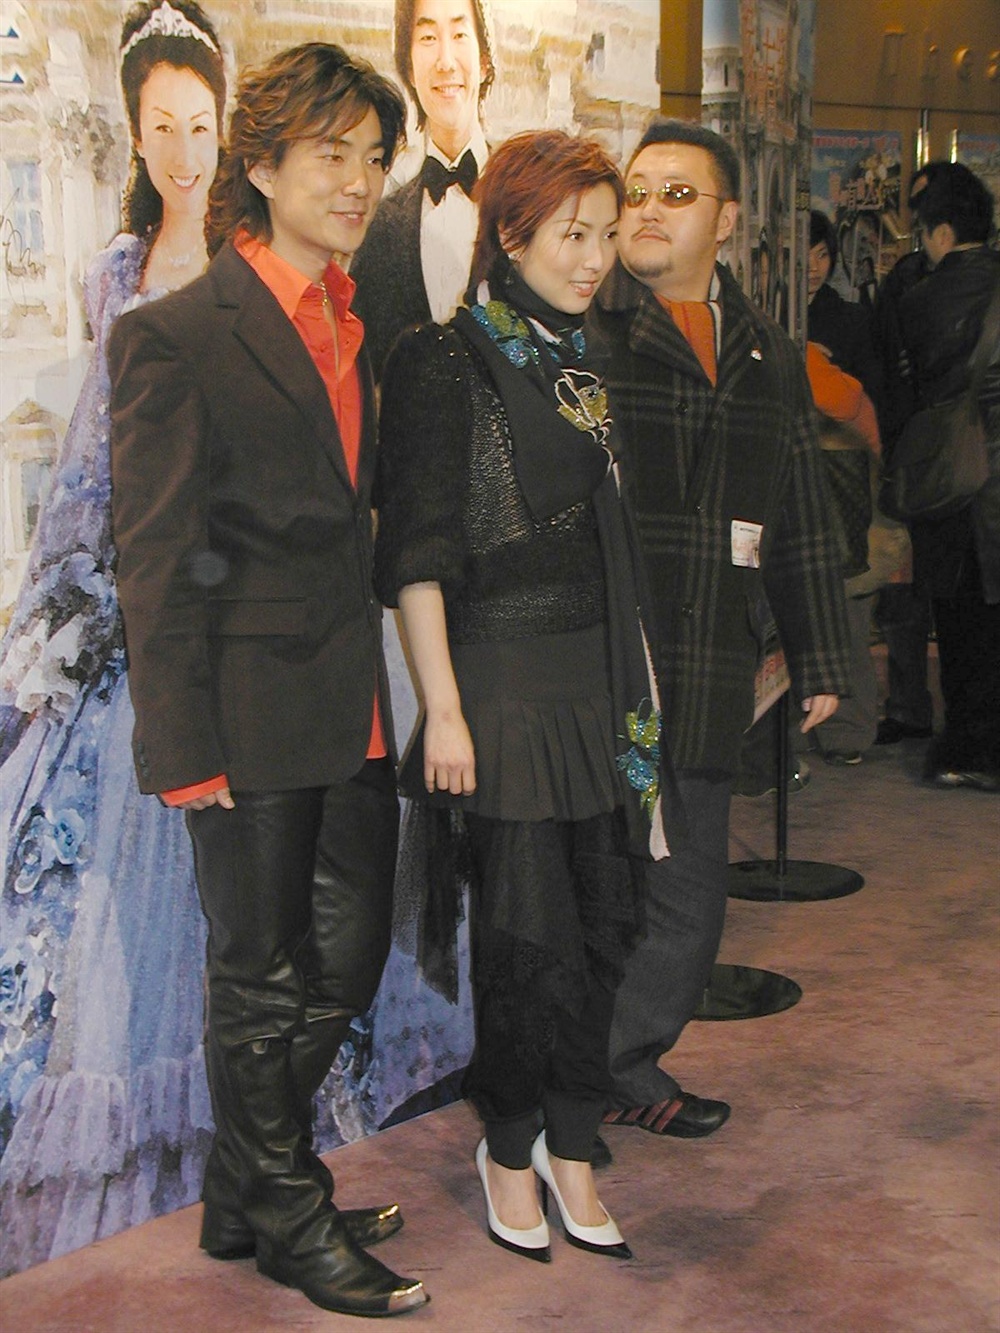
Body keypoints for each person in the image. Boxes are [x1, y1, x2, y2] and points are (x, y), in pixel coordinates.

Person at [108, 43, 429, 1318]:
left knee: (346, 958)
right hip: (242, 715)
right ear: (262, 165)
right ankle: (286, 1210)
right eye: (331, 155)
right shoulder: (176, 337)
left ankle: (245, 1188)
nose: (357, 183)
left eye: (373, 159)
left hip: (349, 702)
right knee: (260, 976)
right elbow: (155, 562)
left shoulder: (355, 322)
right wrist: (183, 748)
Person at [375, 131, 675, 1263]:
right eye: (571, 234)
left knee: (607, 929)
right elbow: (417, 552)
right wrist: (444, 708)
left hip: (600, 686)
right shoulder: (443, 358)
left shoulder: (598, 362)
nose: (594, 258)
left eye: (606, 235)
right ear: (511, 234)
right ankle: (508, 1144)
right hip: (499, 686)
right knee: (524, 941)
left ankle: (572, 1141)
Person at [0, 0, 226, 1270]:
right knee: (109, 886)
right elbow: (92, 449)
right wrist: (63, 589)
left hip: (224, 600)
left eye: (201, 125)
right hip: (128, 592)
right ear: (133, 136)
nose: (184, 151)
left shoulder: (250, 262)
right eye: (162, 128)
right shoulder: (113, 272)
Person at [592, 119, 851, 1143]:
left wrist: (820, 654)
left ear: (728, 218)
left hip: (708, 665)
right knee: (592, 887)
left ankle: (624, 1065)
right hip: (604, 659)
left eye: (677, 194)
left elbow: (799, 510)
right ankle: (561, 1085)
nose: (649, 210)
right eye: (636, 191)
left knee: (688, 895)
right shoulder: (588, 333)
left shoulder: (767, 353)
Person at [894, 162, 1000, 790]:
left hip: (957, 479)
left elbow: (906, 386)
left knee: (961, 622)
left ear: (940, 233)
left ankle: (969, 747)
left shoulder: (921, 300)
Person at [351, 0, 496, 376]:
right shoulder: (380, 227)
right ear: (409, 69)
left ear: (484, 60)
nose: (445, 61)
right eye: (428, 37)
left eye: (459, 35)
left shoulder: (531, 203)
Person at [807, 209, 880, 406]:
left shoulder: (853, 319)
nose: (814, 267)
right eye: (804, 256)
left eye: (822, 255)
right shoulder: (771, 316)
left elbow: (869, 391)